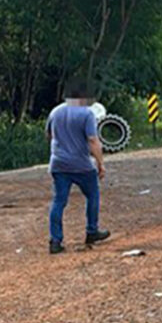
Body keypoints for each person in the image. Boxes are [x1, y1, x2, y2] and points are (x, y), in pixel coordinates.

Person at [45, 80, 110, 254]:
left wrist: (58, 151)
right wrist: (100, 163)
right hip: (81, 165)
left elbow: (49, 135)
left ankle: (55, 241)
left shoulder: (55, 112)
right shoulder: (86, 114)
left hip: (58, 164)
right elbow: (93, 140)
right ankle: (91, 231)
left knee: (59, 201)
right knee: (93, 195)